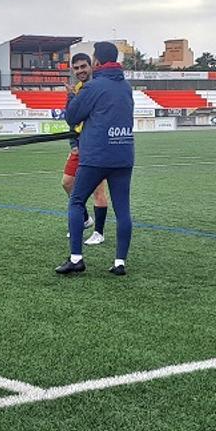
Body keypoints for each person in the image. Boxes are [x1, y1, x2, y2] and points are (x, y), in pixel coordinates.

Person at [54, 42, 134, 276]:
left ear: (96, 62)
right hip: (123, 153)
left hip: (96, 155)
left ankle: (76, 258)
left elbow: (72, 117)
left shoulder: (92, 87)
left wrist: (71, 97)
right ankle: (120, 262)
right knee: (123, 211)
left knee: (76, 201)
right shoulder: (126, 86)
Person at [62, 52, 109, 245]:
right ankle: (85, 219)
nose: (81, 70)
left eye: (84, 66)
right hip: (79, 146)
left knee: (98, 190)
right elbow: (72, 119)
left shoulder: (96, 88)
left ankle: (99, 232)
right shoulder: (78, 89)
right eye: (77, 68)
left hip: (96, 147)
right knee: (67, 182)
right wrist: (74, 144)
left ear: (91, 66)